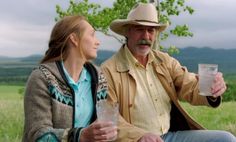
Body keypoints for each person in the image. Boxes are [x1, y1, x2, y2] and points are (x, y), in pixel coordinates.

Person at [101, 3, 236, 142]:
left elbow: (188, 85)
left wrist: (211, 89)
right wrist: (139, 135)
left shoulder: (164, 61)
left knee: (226, 139)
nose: (145, 36)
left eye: (151, 30)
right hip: (135, 140)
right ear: (127, 31)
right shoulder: (108, 70)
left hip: (170, 137)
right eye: (139, 29)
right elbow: (107, 117)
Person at [22, 15, 118, 142]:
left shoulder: (98, 77)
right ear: (74, 39)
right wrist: (80, 136)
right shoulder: (42, 78)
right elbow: (37, 135)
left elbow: (101, 125)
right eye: (92, 35)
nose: (98, 42)